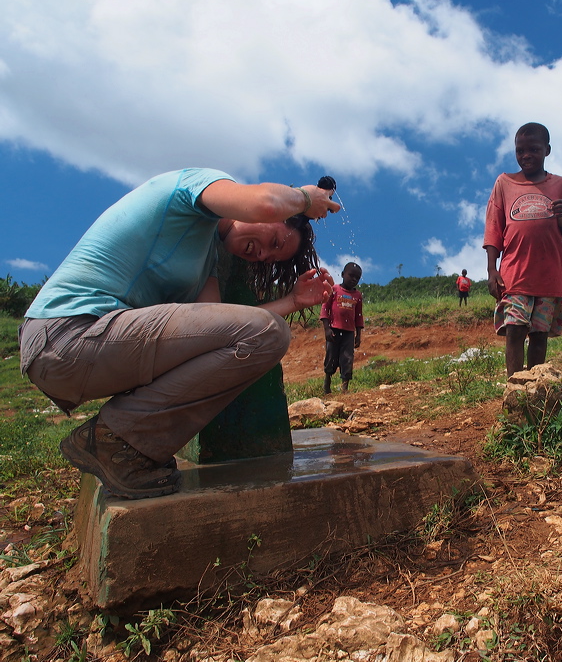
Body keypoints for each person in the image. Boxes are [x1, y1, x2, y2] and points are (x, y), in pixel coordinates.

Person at [18, 168, 340, 499]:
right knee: (270, 333)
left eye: (271, 258)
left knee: (267, 335)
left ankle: (117, 440)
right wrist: (305, 199)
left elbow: (227, 330)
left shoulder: (206, 257)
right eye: (274, 242)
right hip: (66, 332)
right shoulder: (194, 185)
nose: (264, 255)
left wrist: (292, 301)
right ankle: (117, 438)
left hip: (86, 350)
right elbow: (267, 203)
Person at [483, 122, 562, 378]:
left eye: (534, 150)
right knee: (515, 329)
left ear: (547, 150)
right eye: (520, 150)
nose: (526, 155)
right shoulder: (504, 183)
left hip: (549, 275)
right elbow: (493, 228)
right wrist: (492, 270)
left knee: (539, 333)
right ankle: (515, 385)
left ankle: (534, 385)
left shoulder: (560, 185)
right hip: (515, 273)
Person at [321, 262, 364, 394]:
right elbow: (325, 308)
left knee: (347, 358)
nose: (354, 279)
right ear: (342, 274)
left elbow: (359, 316)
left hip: (349, 333)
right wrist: (327, 329)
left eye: (357, 278)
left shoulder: (357, 296)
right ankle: (327, 383)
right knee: (331, 357)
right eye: (351, 276)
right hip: (334, 330)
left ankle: (344, 387)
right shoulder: (334, 289)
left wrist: (358, 335)